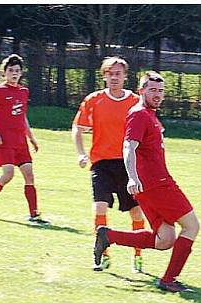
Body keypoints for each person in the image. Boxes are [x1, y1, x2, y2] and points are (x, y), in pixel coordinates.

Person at [93, 71, 201, 292]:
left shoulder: (149, 114)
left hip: (149, 186)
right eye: (152, 90)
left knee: (165, 240)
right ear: (141, 91)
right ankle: (169, 280)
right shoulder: (139, 114)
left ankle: (108, 235)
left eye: (161, 91)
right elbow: (128, 147)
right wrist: (132, 177)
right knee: (192, 226)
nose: (157, 95)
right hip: (157, 185)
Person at [72, 57, 144, 272]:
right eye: (110, 73)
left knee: (136, 213)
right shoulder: (94, 100)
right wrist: (81, 153)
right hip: (101, 164)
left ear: (125, 77)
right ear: (104, 76)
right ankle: (103, 255)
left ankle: (138, 256)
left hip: (127, 164)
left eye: (118, 74)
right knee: (99, 208)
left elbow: (151, 129)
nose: (114, 77)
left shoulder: (135, 102)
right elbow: (77, 128)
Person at [0, 54, 50, 225]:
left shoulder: (23, 92)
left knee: (29, 175)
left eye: (17, 71)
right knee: (8, 174)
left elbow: (22, 116)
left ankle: (34, 214)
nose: (14, 74)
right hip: (4, 141)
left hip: (20, 141)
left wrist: (31, 138)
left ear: (21, 73)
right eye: (11, 71)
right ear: (4, 73)